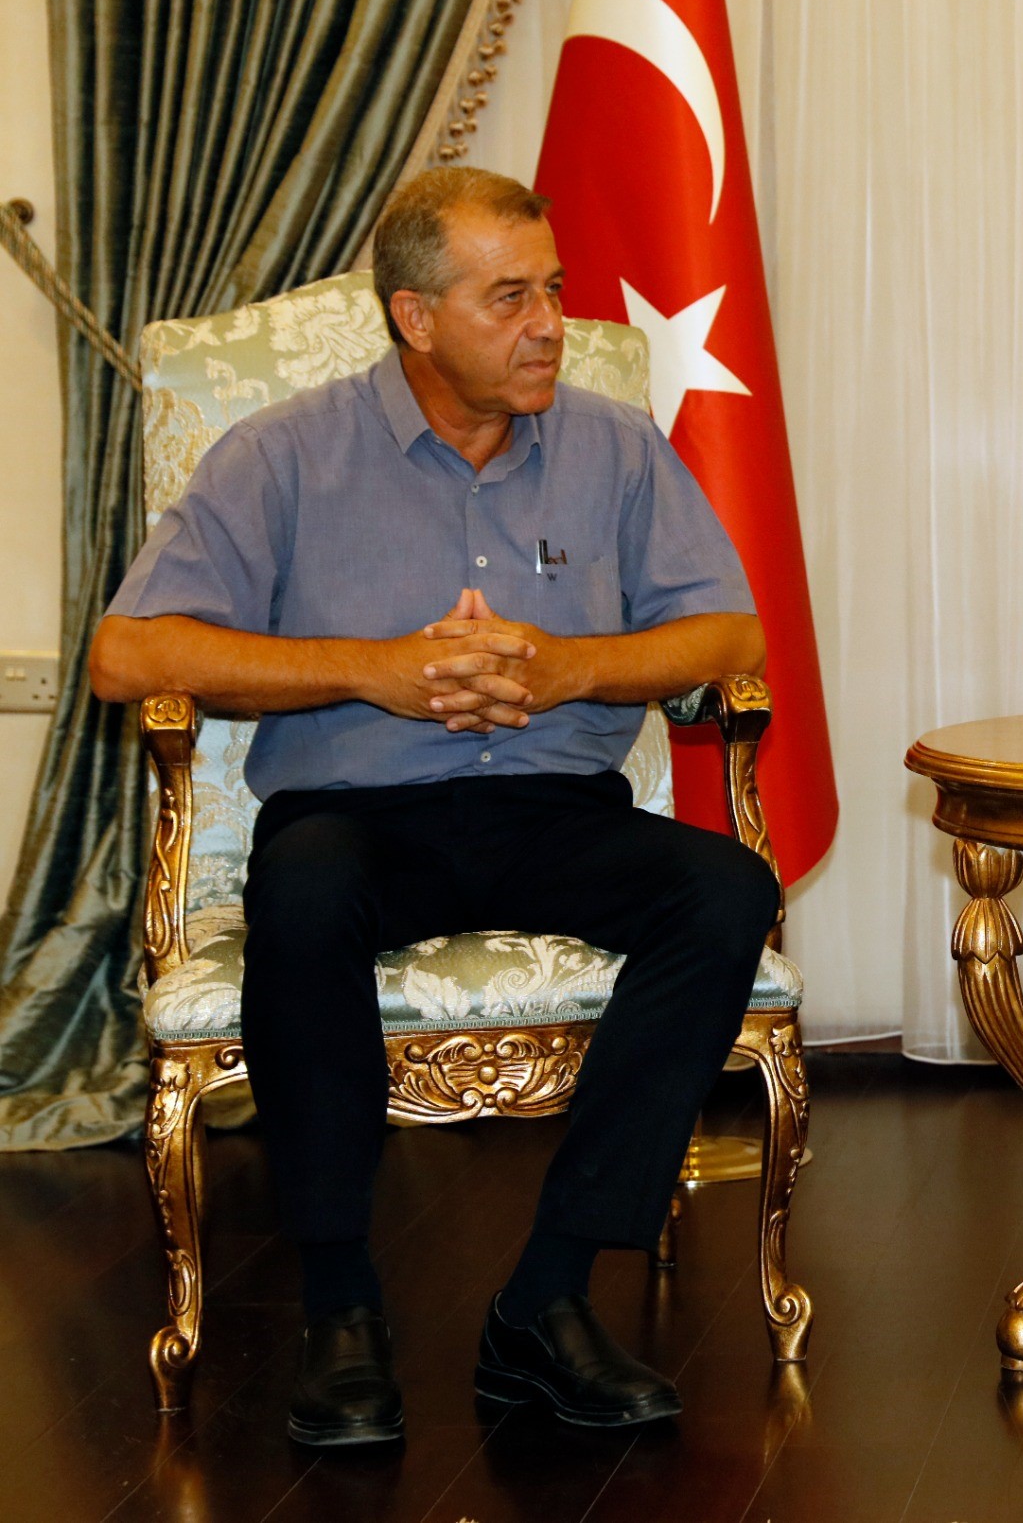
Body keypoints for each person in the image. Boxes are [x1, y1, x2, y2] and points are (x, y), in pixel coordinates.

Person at [90, 168, 780, 1449]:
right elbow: (128, 653)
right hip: (355, 818)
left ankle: (548, 1295)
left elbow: (728, 633)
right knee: (303, 891)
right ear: (414, 316)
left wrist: (567, 667)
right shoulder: (285, 452)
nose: (550, 324)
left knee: (725, 889)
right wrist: (374, 669)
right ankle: (341, 1305)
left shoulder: (614, 445)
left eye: (553, 290)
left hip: (555, 810)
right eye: (509, 297)